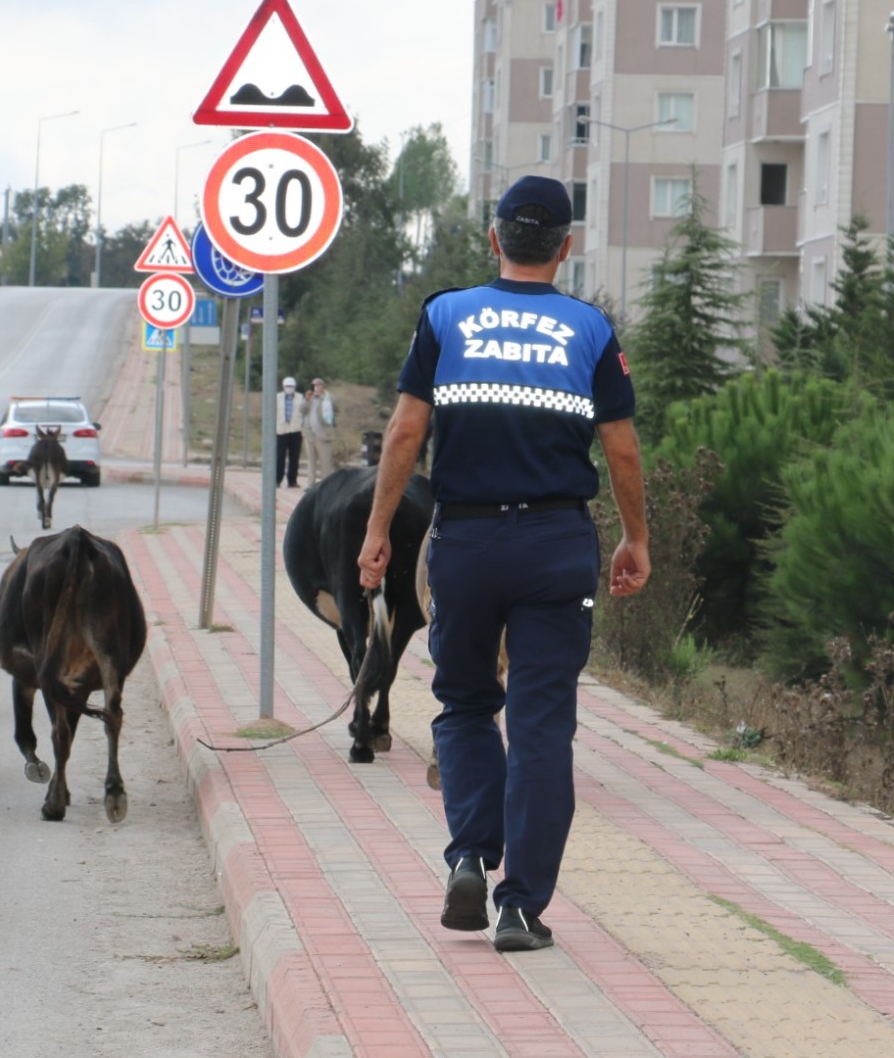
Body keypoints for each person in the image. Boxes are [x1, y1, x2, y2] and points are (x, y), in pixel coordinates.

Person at [357, 175, 650, 954]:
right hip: (556, 545)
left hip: (468, 545)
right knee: (543, 727)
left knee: (462, 703)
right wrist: (635, 538)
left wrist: (379, 530)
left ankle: (466, 855)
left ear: (494, 240)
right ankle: (521, 907)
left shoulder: (446, 316)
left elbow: (403, 434)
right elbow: (620, 445)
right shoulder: (591, 330)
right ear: (566, 246)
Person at [303, 377, 336, 487]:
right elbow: (302, 410)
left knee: (325, 461)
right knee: (311, 461)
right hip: (310, 434)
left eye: (318, 385)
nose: (316, 388)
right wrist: (307, 399)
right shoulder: (310, 399)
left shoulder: (328, 398)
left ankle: (326, 485)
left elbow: (335, 408)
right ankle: (310, 484)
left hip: (323, 435)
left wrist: (322, 397)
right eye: (314, 385)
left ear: (323, 386)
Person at [273, 376, 305, 489]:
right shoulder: (277, 397)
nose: (289, 388)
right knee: (279, 457)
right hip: (281, 431)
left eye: (291, 386)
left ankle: (292, 480)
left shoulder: (300, 398)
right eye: (287, 386)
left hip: (296, 431)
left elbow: (304, 413)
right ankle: (276, 479)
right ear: (283, 386)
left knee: (294, 458)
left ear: (295, 387)